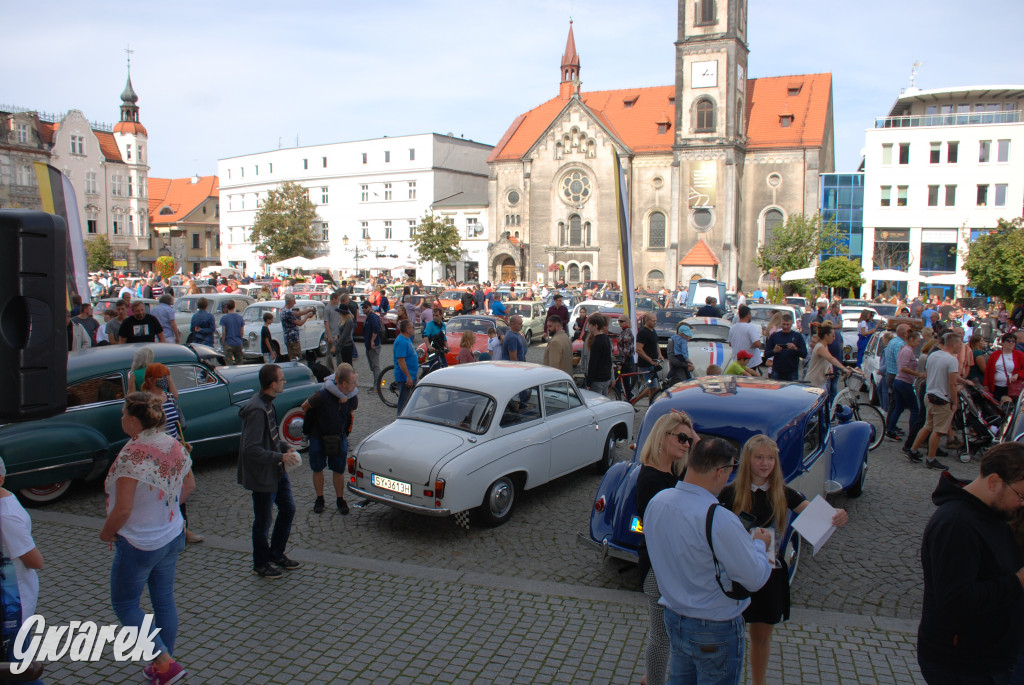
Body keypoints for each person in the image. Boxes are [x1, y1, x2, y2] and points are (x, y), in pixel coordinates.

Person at [719, 435, 849, 685]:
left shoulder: (784, 492)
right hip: (735, 574)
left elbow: (817, 515)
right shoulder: (729, 492)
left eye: (770, 458)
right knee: (729, 634)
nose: (765, 463)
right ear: (748, 460)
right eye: (759, 457)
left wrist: (838, 515)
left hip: (770, 573)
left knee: (761, 635)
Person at [644, 438, 773, 685]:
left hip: (674, 617)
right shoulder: (718, 518)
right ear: (720, 472)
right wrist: (759, 545)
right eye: (729, 471)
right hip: (715, 627)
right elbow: (754, 579)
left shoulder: (658, 501)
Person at [100, 392, 195, 684]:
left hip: (140, 543)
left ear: (131, 420)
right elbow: (189, 486)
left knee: (126, 604)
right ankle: (164, 663)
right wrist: (162, 508)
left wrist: (106, 532)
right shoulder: (173, 445)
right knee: (163, 600)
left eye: (122, 414)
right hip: (171, 534)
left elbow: (123, 509)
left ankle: (164, 662)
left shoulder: (132, 456)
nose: (120, 419)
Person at [917, 443, 1024, 684]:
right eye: (1021, 494)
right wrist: (1017, 582)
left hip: (986, 657)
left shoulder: (989, 512)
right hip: (963, 665)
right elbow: (956, 600)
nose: (1022, 503)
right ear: (994, 481)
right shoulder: (957, 525)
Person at [636, 411, 699, 685]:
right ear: (663, 438)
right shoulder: (652, 479)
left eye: (688, 439)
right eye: (682, 438)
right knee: (661, 638)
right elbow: (659, 530)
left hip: (669, 569)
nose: (687, 444)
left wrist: (692, 433)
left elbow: (704, 458)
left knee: (666, 636)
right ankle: (653, 681)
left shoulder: (671, 474)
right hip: (658, 571)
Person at [238, 365, 302, 579]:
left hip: (277, 470)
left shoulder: (269, 404)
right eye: (282, 379)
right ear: (272, 384)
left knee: (288, 509)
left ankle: (276, 553)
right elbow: (251, 449)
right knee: (263, 520)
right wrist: (280, 457)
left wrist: (284, 448)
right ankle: (261, 563)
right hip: (263, 474)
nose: (284, 382)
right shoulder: (257, 410)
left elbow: (272, 437)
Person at [301, 363, 357, 515]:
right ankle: (320, 498)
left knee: (338, 469)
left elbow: (349, 413)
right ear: (343, 383)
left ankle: (340, 499)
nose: (356, 386)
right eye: (353, 382)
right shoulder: (322, 395)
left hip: (339, 436)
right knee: (317, 468)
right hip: (318, 436)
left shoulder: (352, 397)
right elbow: (305, 406)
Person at [908, 332, 965, 470]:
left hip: (929, 394)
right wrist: (954, 401)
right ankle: (931, 458)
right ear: (952, 344)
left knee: (928, 426)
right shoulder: (951, 360)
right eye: (959, 343)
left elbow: (929, 374)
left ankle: (913, 450)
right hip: (942, 398)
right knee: (938, 431)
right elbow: (952, 384)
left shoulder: (933, 355)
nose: (960, 346)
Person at [887, 330, 925, 444]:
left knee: (899, 407)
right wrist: (918, 374)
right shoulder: (907, 350)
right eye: (918, 341)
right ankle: (913, 434)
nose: (919, 344)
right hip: (904, 382)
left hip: (899, 381)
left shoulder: (904, 349)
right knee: (914, 409)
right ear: (912, 339)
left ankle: (890, 429)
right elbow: (903, 367)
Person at [805, 323, 852, 405]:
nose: (834, 338)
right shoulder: (820, 347)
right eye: (832, 336)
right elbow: (831, 358)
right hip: (814, 383)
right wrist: (843, 368)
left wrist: (829, 371)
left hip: (820, 382)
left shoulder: (824, 346)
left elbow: (825, 362)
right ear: (826, 335)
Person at [764, 314, 807, 382]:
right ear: (781, 323)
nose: (785, 327)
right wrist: (774, 351)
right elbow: (766, 354)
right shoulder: (775, 336)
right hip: (777, 370)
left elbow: (804, 354)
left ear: (791, 324)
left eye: (787, 324)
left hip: (792, 371)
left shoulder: (797, 336)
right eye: (784, 324)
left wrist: (795, 349)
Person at [985, 333, 1024, 404]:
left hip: (1011, 388)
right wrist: (986, 385)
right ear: (1003, 343)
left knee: (1008, 406)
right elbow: (988, 370)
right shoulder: (995, 355)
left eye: (1013, 341)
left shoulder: (1020, 355)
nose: (1011, 343)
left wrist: (1017, 375)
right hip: (996, 387)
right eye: (1008, 341)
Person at [634, 313, 663, 404]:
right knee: (652, 387)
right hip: (646, 365)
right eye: (653, 321)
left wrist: (660, 354)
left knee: (653, 387)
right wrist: (650, 360)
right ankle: (644, 404)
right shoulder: (643, 332)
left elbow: (656, 343)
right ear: (647, 321)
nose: (655, 323)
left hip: (653, 364)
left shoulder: (653, 330)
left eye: (656, 321)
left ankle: (644, 402)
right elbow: (639, 349)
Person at [393, 320, 419, 414]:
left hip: (411, 375)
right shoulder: (401, 341)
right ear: (407, 329)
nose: (414, 329)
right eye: (412, 327)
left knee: (410, 401)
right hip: (405, 377)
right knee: (404, 401)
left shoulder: (407, 339)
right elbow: (401, 361)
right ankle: (401, 418)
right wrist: (408, 376)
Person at [584, 314, 613, 395]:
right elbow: (609, 359)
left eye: (590, 324)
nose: (588, 326)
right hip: (606, 377)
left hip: (598, 379)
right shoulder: (606, 338)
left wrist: (589, 382)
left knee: (596, 402)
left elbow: (593, 363)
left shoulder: (596, 342)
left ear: (596, 326)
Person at [728, 305, 763, 372]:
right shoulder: (750, 327)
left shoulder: (733, 327)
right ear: (748, 315)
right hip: (749, 362)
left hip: (738, 362)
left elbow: (730, 343)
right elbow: (757, 344)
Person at [280, 294, 313, 361]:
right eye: (294, 301)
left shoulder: (283, 310)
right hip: (293, 338)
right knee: (296, 358)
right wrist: (307, 316)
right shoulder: (288, 312)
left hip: (287, 338)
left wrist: (308, 310)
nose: (295, 303)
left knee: (291, 357)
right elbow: (299, 323)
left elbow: (298, 313)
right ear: (290, 302)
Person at [361, 300, 383, 383]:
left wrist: (372, 341)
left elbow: (376, 328)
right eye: (363, 308)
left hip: (374, 345)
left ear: (370, 307)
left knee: (375, 366)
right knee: (373, 367)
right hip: (368, 345)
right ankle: (376, 384)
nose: (364, 309)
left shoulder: (372, 317)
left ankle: (378, 385)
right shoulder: (368, 317)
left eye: (365, 307)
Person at [220, 300, 245, 366]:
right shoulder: (240, 318)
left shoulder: (224, 318)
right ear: (234, 307)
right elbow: (242, 332)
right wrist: (240, 339)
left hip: (228, 343)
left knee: (229, 363)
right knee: (239, 363)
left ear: (227, 307)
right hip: (238, 342)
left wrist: (223, 342)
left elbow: (224, 333)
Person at [617, 316, 636, 402]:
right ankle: (627, 396)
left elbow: (627, 350)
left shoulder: (627, 333)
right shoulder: (624, 331)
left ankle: (628, 397)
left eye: (621, 321)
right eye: (619, 321)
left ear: (626, 322)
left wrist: (622, 363)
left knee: (625, 379)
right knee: (623, 379)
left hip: (626, 360)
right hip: (625, 359)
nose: (619, 323)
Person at [324, 291, 344, 371]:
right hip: (331, 334)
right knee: (329, 354)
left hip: (337, 334)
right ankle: (330, 370)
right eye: (337, 299)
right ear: (333, 299)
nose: (338, 301)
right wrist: (329, 336)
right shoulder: (327, 309)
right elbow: (326, 323)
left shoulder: (337, 307)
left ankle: (340, 368)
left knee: (339, 353)